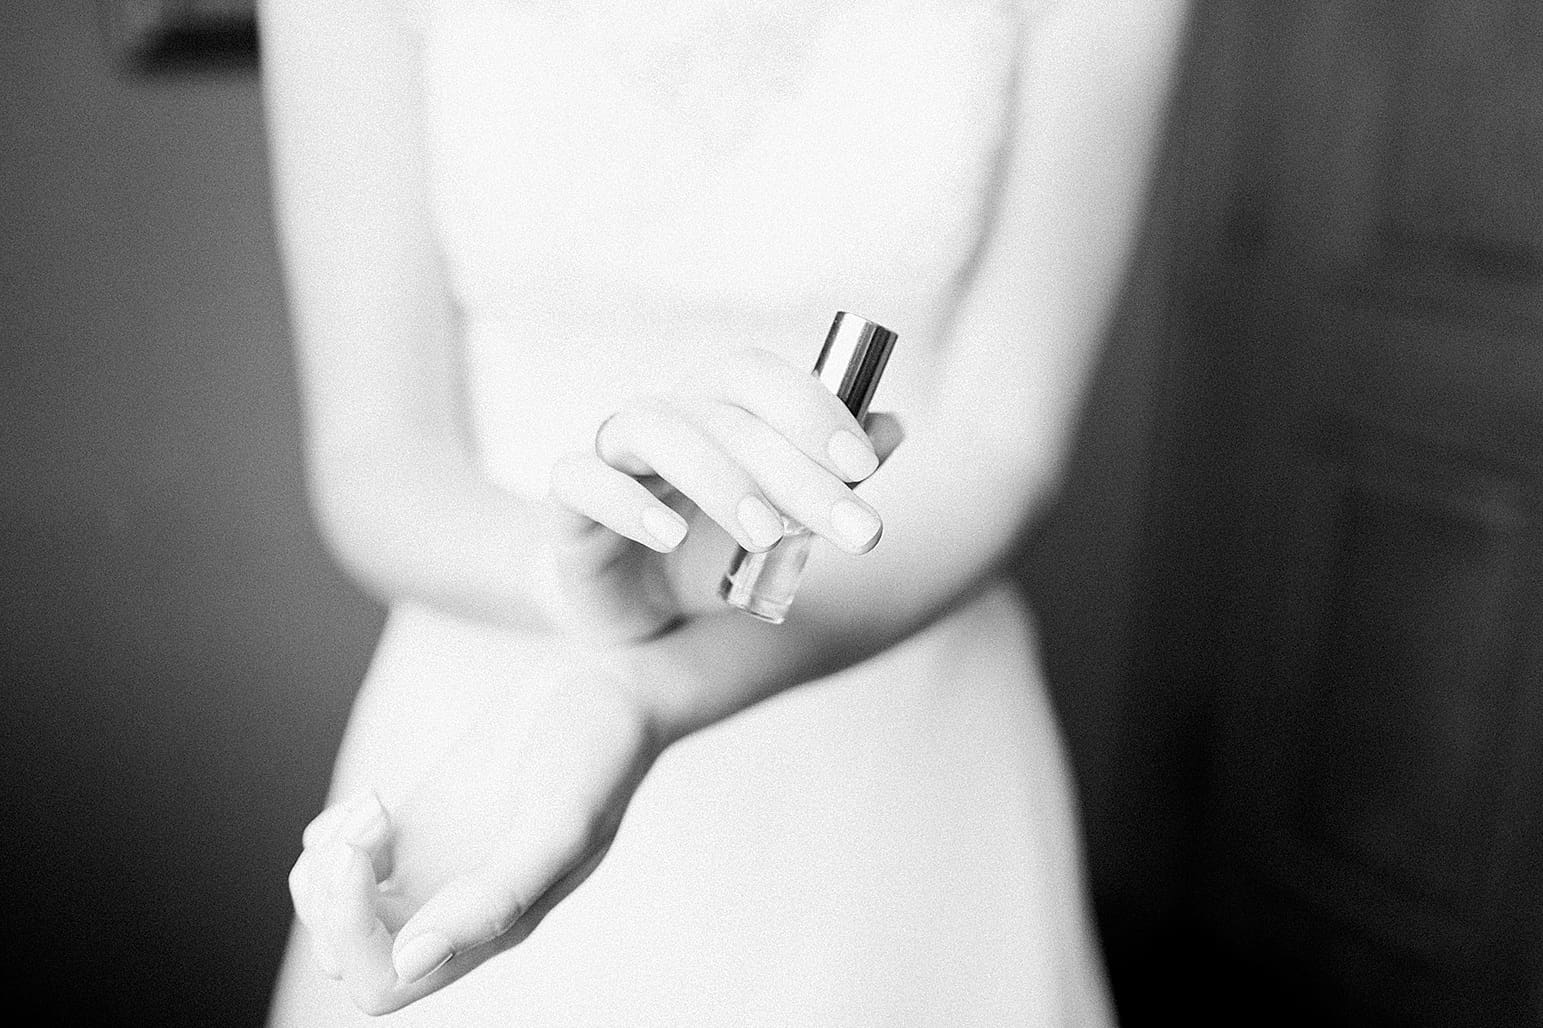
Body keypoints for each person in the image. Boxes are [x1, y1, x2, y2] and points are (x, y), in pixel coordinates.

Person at [260, 0, 1189, 1022]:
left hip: (897, 716)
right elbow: (377, 458)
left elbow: (1002, 445)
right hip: (495, 699)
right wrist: (585, 579)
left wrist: (649, 679)